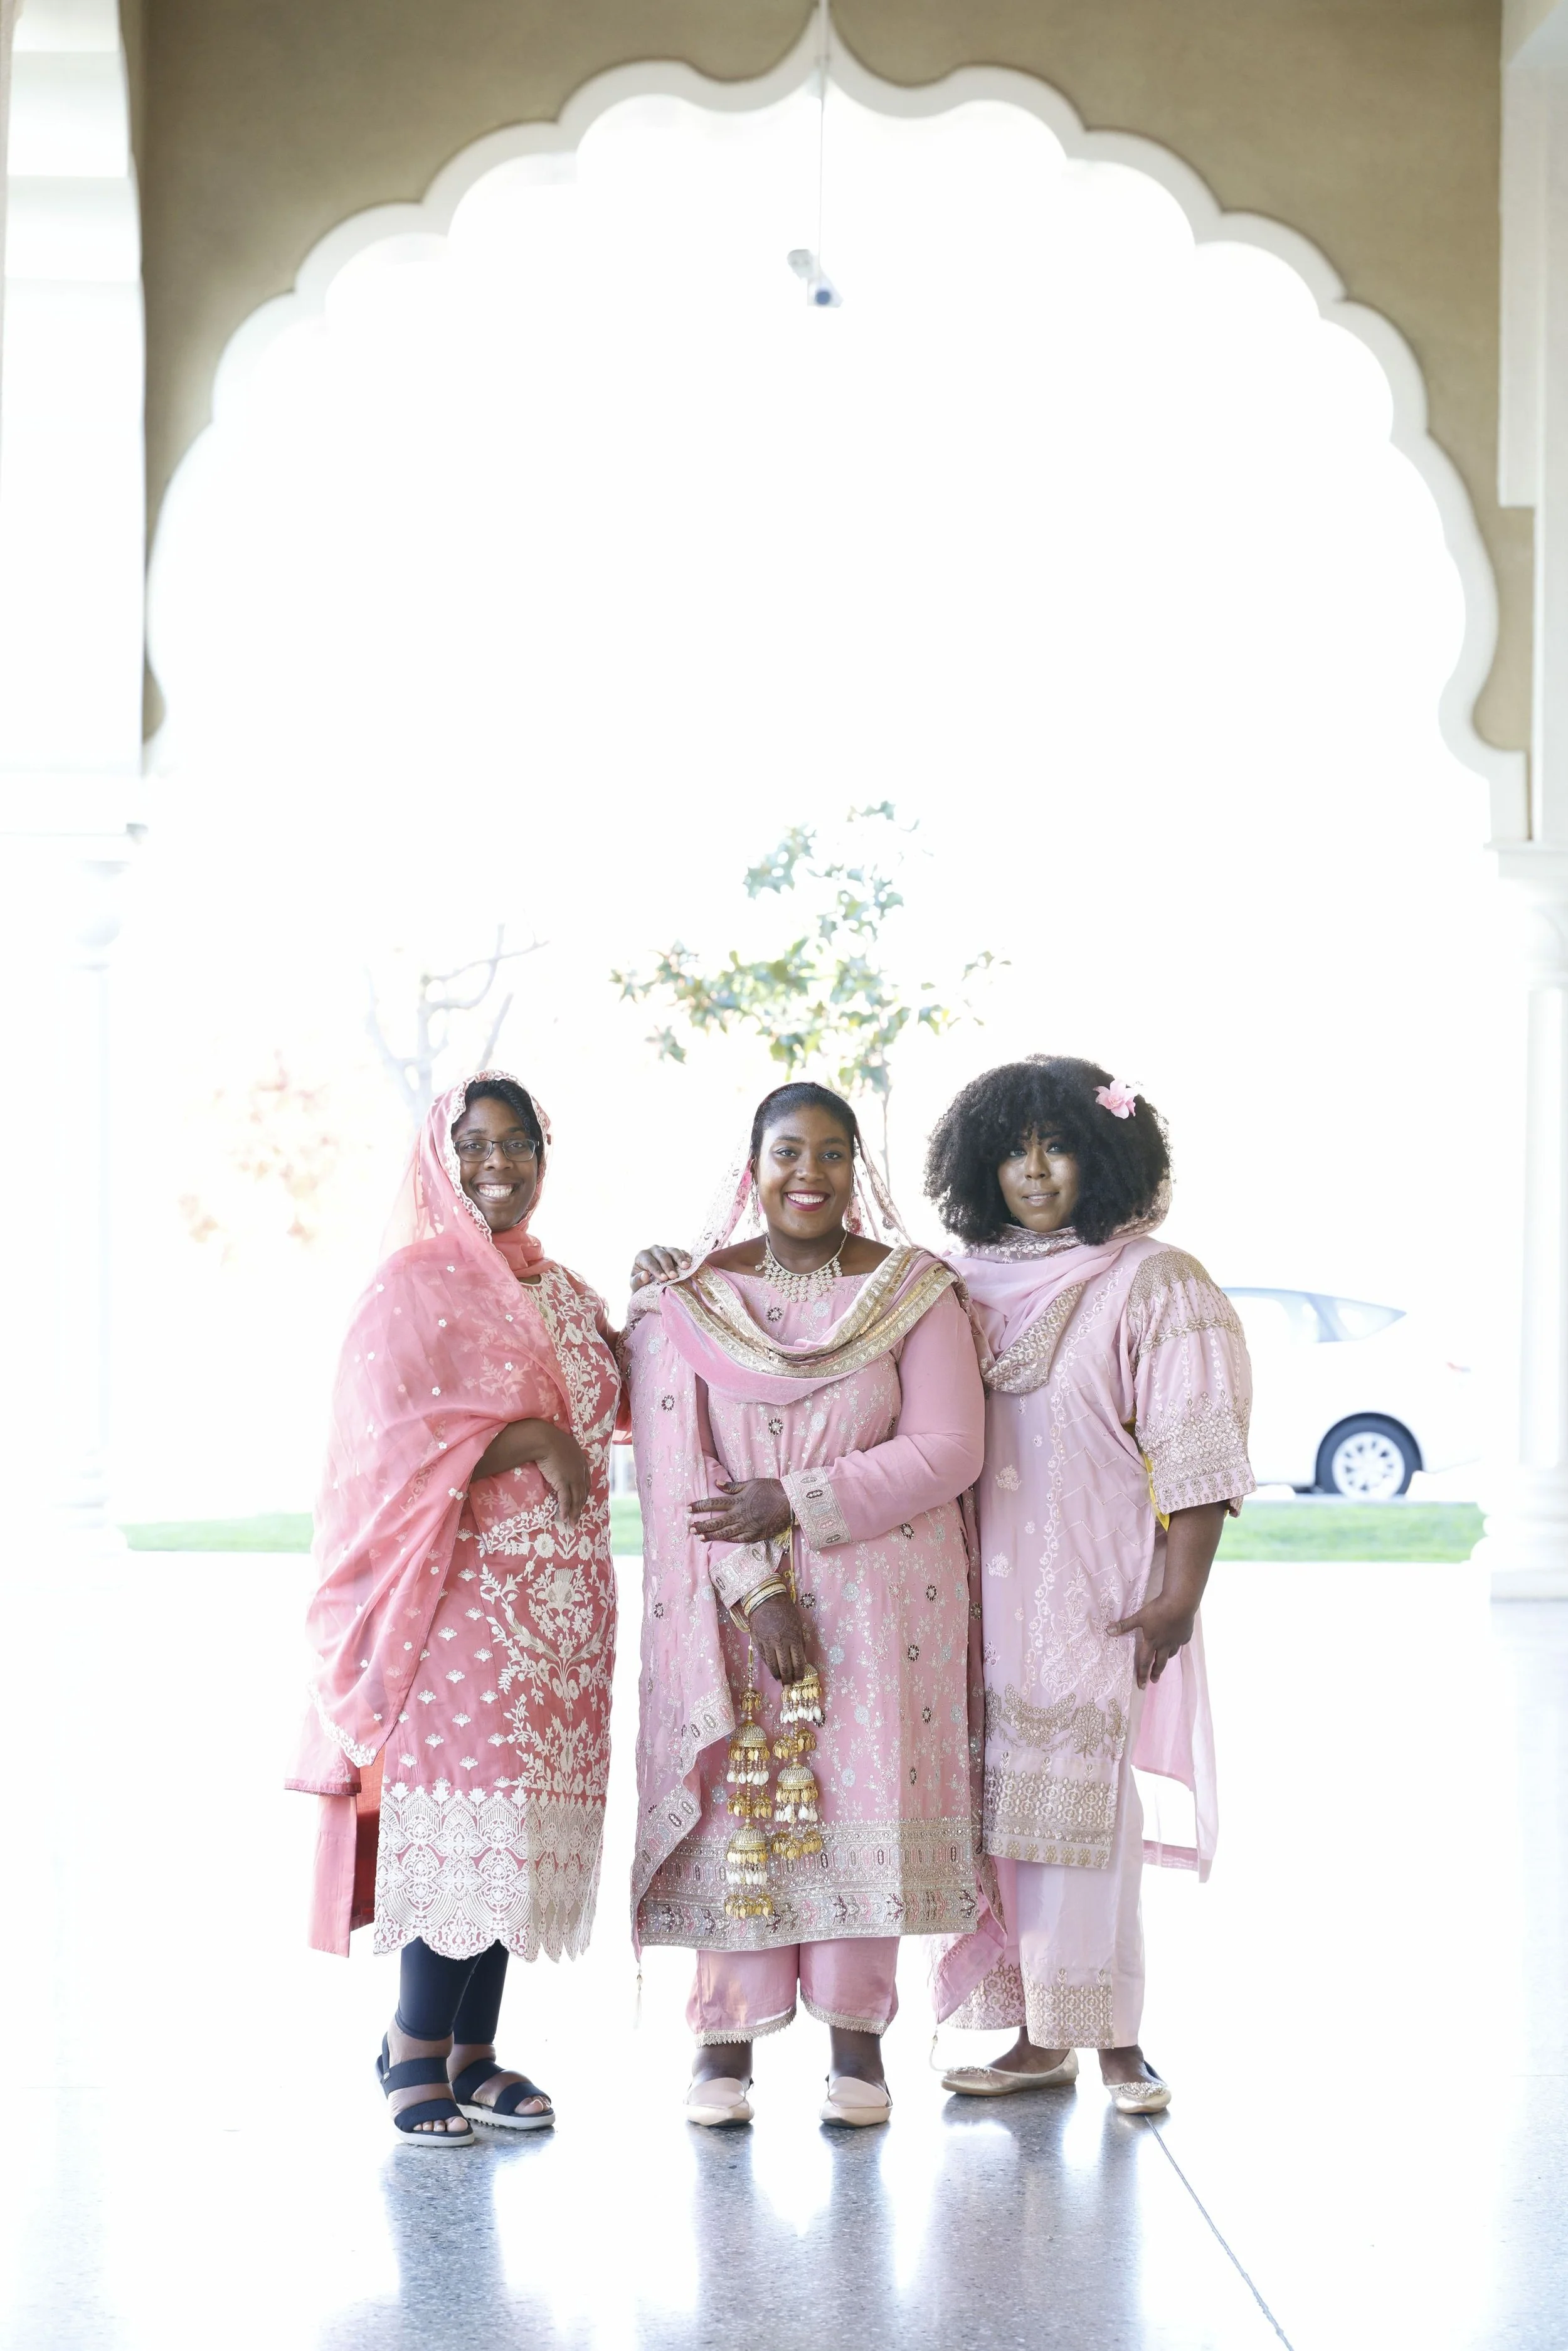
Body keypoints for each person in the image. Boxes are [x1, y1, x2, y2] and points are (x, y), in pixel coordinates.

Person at [627, 1081, 988, 2130]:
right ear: (754, 1167)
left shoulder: (913, 1294)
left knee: (853, 1798)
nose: (811, 1175)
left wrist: (798, 1498)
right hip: (732, 1603)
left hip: (880, 1603)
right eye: (789, 1152)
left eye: (833, 1154)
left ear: (856, 1171)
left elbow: (949, 1448)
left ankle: (858, 2049)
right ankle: (723, 2046)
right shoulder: (691, 1301)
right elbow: (673, 1460)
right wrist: (757, 1593)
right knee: (743, 1801)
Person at [287, 1072, 622, 2147]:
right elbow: (380, 1445)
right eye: (473, 1144)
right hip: (461, 1607)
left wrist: (676, 1290)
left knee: (522, 1835)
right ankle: (412, 2049)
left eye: (518, 1142)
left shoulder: (566, 1292)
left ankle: (475, 2056)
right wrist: (526, 1440)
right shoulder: (414, 1285)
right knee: (471, 1829)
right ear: (441, 1156)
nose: (498, 1164)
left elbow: (631, 1391)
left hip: (567, 1615)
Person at [925, 1058, 1254, 2114]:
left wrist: (1180, 1595)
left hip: (1095, 1593)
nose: (1032, 1170)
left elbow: (1198, 1450)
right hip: (968, 1601)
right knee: (1001, 1817)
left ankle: (1115, 2040)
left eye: (1056, 1145)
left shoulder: (1153, 1281)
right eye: (1012, 1148)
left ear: (1102, 1156)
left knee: (1082, 1815)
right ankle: (1036, 2040)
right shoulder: (959, 1281)